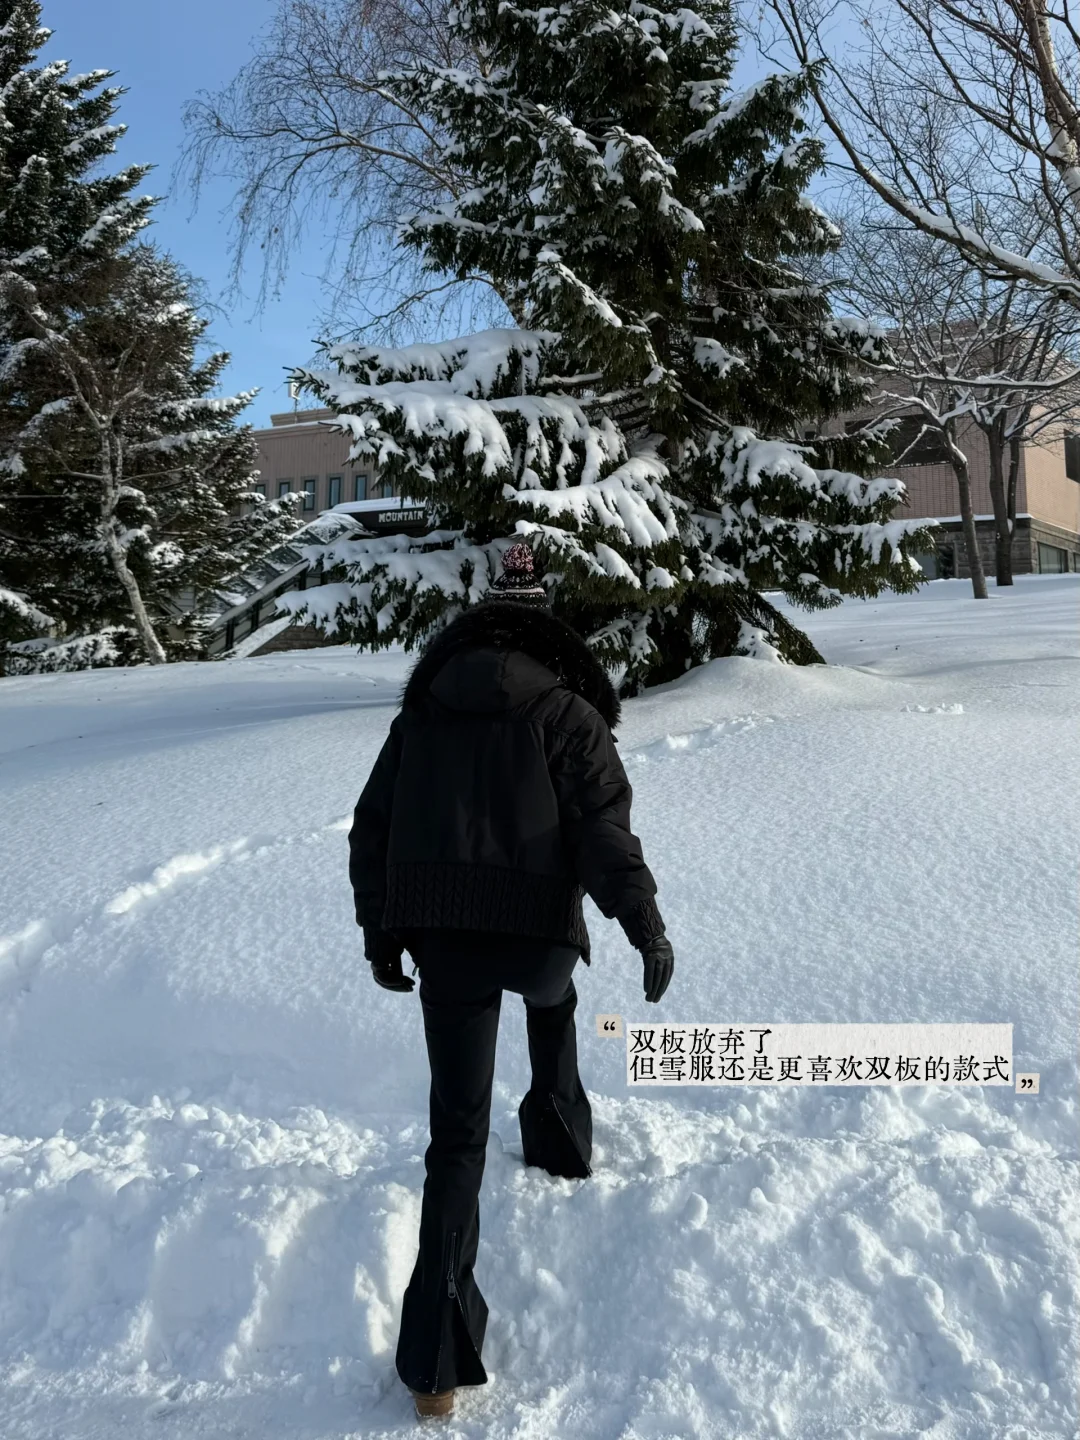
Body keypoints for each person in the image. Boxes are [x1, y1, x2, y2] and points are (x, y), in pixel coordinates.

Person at [348, 539, 675, 1421]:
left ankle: (435, 1363)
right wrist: (643, 924)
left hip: (443, 941)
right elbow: (603, 832)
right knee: (553, 999)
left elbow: (372, 828)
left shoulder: (421, 716)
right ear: (543, 627)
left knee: (455, 1138)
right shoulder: (568, 712)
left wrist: (382, 933)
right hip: (537, 939)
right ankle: (559, 1132)